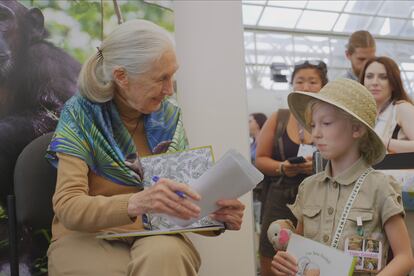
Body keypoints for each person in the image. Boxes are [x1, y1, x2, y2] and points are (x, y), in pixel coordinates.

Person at [45, 19, 245, 276]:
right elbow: (68, 206)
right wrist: (136, 202)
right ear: (121, 77)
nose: (169, 90)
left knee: (165, 258)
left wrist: (217, 217)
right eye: (161, 78)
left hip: (157, 232)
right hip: (87, 235)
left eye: (172, 76)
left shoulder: (169, 118)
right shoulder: (80, 115)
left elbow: (182, 205)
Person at [271, 78, 414, 276]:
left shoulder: (380, 186)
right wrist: (286, 263)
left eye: (327, 123)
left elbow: (404, 257)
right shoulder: (308, 187)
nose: (316, 134)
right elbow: (299, 248)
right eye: (313, 125)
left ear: (357, 129)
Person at [255, 60, 328, 276]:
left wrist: (316, 167)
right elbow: (260, 159)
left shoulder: (331, 118)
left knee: (316, 255)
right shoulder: (280, 117)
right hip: (281, 195)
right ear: (292, 85)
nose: (306, 87)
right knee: (272, 252)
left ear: (324, 86)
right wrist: (283, 167)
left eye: (313, 81)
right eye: (300, 81)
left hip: (320, 195)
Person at [360, 56, 414, 153]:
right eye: (369, 76)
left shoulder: (402, 108)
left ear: (393, 83)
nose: (374, 82)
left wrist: (385, 143)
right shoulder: (362, 113)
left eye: (383, 77)